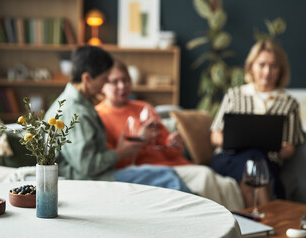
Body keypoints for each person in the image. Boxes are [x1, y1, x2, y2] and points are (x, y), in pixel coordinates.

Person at [95, 60, 244, 211]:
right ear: (102, 86)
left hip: (173, 165)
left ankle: (243, 225)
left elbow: (168, 149)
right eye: (115, 82)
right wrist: (140, 139)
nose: (122, 86)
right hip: (152, 172)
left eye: (125, 80)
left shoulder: (144, 108)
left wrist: (173, 143)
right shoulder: (99, 116)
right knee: (205, 175)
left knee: (228, 184)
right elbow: (116, 163)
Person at [44, 46, 192, 193]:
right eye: (104, 79)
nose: (105, 85)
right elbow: (87, 166)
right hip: (87, 180)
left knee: (167, 175)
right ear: (87, 78)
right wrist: (119, 153)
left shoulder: (80, 103)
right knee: (168, 178)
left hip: (95, 175)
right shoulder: (75, 112)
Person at [209, 40, 305, 207]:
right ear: (251, 67)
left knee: (253, 166)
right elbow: (215, 135)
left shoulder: (289, 103)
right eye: (262, 65)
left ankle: (257, 225)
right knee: (252, 162)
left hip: (267, 162)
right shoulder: (234, 95)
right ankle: (269, 221)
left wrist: (275, 147)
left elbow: (290, 149)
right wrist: (238, 142)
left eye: (273, 66)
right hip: (230, 159)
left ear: (281, 69)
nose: (267, 71)